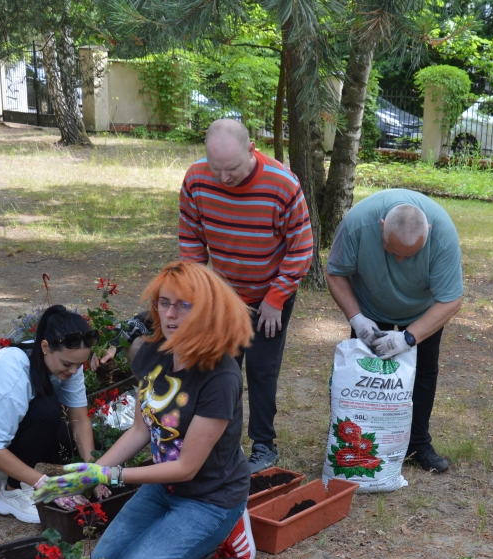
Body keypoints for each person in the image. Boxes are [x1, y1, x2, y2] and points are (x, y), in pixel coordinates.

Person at [32, 261, 257, 559]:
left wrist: (111, 474)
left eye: (184, 305)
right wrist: (90, 475)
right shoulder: (154, 354)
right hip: (161, 487)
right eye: (164, 303)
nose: (170, 315)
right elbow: (140, 429)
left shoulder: (220, 378)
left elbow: (186, 467)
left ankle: (228, 527)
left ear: (208, 311)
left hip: (209, 498)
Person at [178, 118, 313, 473]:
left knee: (261, 369)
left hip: (270, 293)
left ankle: (264, 446)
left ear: (252, 151)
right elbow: (191, 239)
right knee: (220, 370)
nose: (224, 179)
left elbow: (301, 247)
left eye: (233, 169)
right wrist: (201, 292)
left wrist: (276, 298)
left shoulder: (282, 184)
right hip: (223, 296)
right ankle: (220, 442)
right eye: (216, 169)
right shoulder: (195, 179)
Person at [326, 188, 464, 474]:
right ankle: (361, 441)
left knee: (424, 371)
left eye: (410, 255)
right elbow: (335, 271)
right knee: (366, 377)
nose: (400, 261)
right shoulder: (357, 223)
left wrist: (408, 337)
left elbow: (451, 299)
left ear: (427, 231)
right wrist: (357, 319)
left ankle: (418, 444)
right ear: (381, 229)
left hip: (423, 311)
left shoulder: (443, 236)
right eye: (392, 252)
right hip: (371, 310)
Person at [0, 305, 96, 523]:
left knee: (63, 436)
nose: (73, 371)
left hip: (2, 428)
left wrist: (93, 470)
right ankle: (12, 493)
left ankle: (4, 472)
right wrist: (46, 484)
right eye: (67, 364)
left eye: (79, 364)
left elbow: (80, 420)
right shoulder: (12, 370)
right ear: (45, 346)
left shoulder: (68, 361)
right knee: (48, 411)